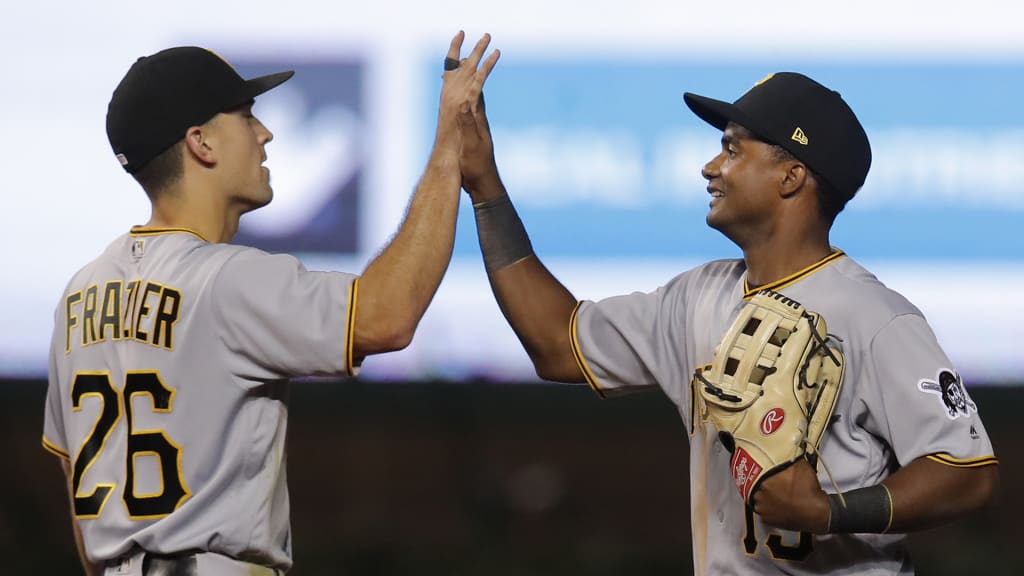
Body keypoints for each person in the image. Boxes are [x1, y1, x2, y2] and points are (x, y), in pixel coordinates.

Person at [456, 69, 999, 574]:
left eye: (733, 149)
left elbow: (967, 472)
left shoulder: (876, 317)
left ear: (791, 177)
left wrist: (832, 511)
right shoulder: (699, 295)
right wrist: (485, 190)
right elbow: (556, 343)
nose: (711, 167)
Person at [41, 32, 499, 576]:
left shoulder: (79, 294)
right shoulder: (225, 280)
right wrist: (448, 152)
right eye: (244, 116)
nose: (265, 133)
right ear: (201, 143)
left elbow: (77, 492)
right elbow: (388, 316)